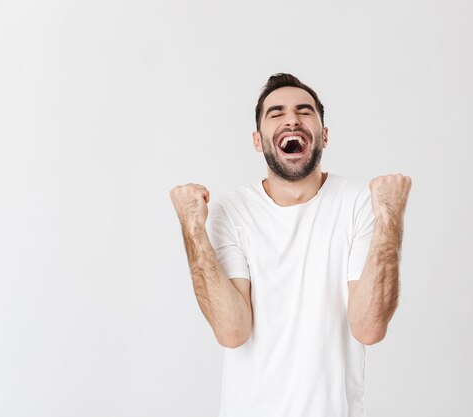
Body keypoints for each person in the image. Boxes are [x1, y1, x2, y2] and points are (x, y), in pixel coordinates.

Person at [170, 73, 412, 417]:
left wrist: (389, 216)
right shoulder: (232, 210)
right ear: (258, 140)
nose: (292, 119)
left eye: (304, 111)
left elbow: (369, 326)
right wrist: (192, 228)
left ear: (324, 135)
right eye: (276, 113)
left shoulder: (359, 203)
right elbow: (232, 330)